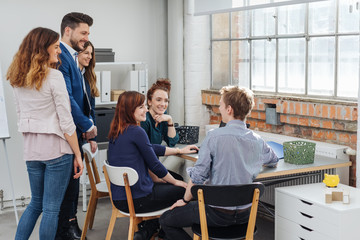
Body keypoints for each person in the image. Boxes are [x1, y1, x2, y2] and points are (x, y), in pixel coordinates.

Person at [159, 86, 279, 240]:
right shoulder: (257, 140)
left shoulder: (214, 137)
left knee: (165, 220)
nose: (219, 108)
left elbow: (198, 177)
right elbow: (274, 161)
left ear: (229, 109)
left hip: (215, 215)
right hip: (246, 216)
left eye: (221, 104)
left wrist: (184, 200)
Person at [6, 27, 83, 240]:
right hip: (57, 151)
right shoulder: (54, 76)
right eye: (56, 46)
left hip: (32, 151)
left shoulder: (17, 79)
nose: (59, 51)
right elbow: (66, 122)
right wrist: (77, 154)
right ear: (43, 49)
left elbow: (21, 117)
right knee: (51, 209)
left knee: (35, 204)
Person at [108, 91, 199, 240]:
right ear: (130, 110)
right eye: (141, 107)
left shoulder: (117, 131)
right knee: (185, 190)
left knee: (173, 184)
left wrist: (178, 150)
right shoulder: (136, 131)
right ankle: (167, 231)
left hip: (121, 199)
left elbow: (149, 147)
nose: (145, 110)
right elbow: (155, 165)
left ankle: (153, 230)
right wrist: (177, 182)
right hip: (139, 199)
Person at [56, 12, 95, 240]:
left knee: (72, 184)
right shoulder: (62, 57)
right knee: (67, 187)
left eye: (88, 33)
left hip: (76, 132)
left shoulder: (71, 58)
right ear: (68, 31)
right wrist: (87, 124)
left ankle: (69, 227)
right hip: (67, 133)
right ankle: (65, 231)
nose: (86, 37)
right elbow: (67, 99)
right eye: (83, 33)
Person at [140, 79, 179, 147]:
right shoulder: (145, 120)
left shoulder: (163, 117)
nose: (163, 104)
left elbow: (172, 142)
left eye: (166, 101)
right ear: (149, 102)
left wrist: (170, 120)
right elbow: (145, 148)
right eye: (158, 100)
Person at [77, 41, 99, 153]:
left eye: (91, 54)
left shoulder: (88, 77)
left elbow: (91, 109)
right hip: (75, 131)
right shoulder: (73, 76)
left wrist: (93, 138)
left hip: (86, 133)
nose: (90, 57)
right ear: (77, 53)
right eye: (86, 53)